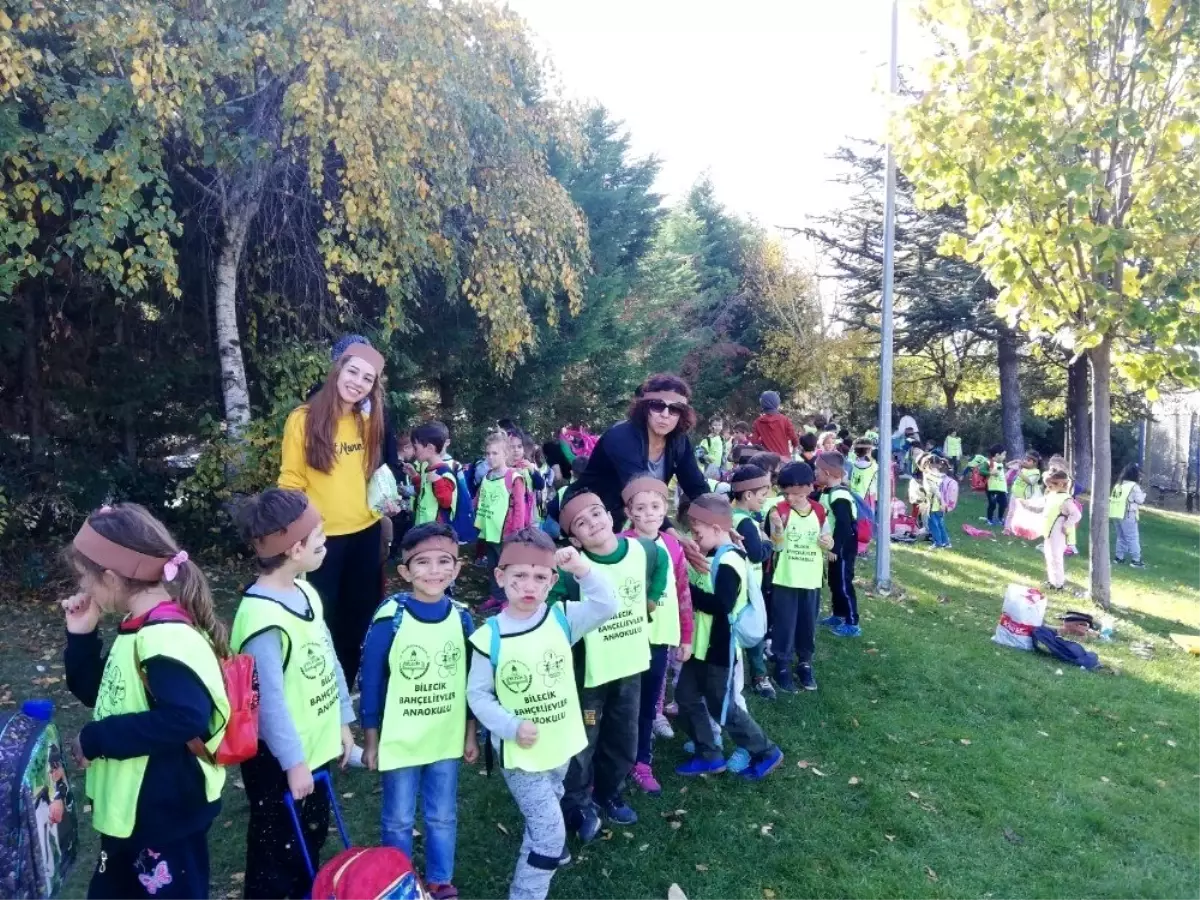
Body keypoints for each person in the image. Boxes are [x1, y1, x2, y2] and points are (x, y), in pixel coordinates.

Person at [62, 504, 231, 900]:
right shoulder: (138, 628)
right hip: (133, 815)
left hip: (164, 817)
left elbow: (186, 717)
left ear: (110, 576)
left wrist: (97, 738)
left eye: (85, 576)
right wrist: (81, 638)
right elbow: (102, 692)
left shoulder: (164, 638)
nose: (83, 587)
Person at [466, 530, 617, 900]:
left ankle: (542, 847)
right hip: (521, 755)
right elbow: (477, 694)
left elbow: (607, 604)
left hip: (560, 744)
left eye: (539, 577)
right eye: (518, 576)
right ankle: (526, 893)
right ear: (500, 578)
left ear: (552, 582)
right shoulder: (491, 637)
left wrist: (581, 568)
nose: (528, 586)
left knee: (551, 800)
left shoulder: (562, 619)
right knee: (550, 835)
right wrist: (511, 726)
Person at [231, 489, 356, 900]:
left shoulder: (306, 592)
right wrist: (294, 763)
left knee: (310, 841)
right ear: (295, 547)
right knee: (276, 856)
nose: (326, 541)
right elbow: (268, 705)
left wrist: (342, 719)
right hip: (280, 762)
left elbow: (328, 657)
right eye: (319, 535)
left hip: (313, 750)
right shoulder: (261, 619)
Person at [359, 524, 477, 900]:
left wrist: (470, 733)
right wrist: (372, 739)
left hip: (444, 738)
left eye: (444, 562)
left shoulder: (462, 618)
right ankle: (400, 882)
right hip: (401, 741)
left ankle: (441, 880)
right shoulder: (390, 618)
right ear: (405, 572)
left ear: (457, 568)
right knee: (398, 819)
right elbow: (373, 683)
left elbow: (472, 683)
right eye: (422, 563)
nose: (434, 571)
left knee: (442, 814)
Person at [552, 490, 668, 835]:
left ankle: (609, 792)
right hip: (590, 675)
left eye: (596, 514)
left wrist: (652, 598)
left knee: (623, 734)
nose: (593, 525)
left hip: (630, 667)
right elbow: (553, 603)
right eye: (582, 524)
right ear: (575, 537)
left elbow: (659, 563)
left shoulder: (641, 549)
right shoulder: (573, 569)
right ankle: (576, 800)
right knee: (585, 736)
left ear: (610, 514)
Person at [279, 338, 385, 686]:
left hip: (366, 533)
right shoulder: (302, 419)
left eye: (367, 379)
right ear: (337, 370)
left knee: (359, 613)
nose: (357, 382)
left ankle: (348, 680)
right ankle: (319, 683)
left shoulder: (368, 420)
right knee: (321, 612)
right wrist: (297, 532)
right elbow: (291, 480)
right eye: (352, 371)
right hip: (321, 537)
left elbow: (370, 473)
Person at [674, 494, 785, 781]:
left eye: (698, 532)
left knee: (723, 708)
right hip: (698, 647)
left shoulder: (730, 561)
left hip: (717, 650)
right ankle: (708, 753)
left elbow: (721, 605)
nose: (695, 538)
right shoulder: (714, 554)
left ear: (716, 527)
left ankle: (766, 751)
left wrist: (685, 592)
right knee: (685, 697)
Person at [569, 373, 710, 566]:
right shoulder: (621, 437)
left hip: (628, 515)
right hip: (589, 515)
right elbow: (641, 494)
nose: (665, 415)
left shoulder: (678, 441)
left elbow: (696, 487)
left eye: (675, 409)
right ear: (645, 408)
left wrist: (721, 522)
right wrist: (676, 538)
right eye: (658, 406)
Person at [619, 477, 694, 796]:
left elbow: (682, 591)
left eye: (655, 507)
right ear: (629, 512)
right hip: (624, 638)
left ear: (665, 509)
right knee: (622, 703)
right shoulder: (620, 544)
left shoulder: (673, 544)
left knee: (650, 702)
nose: (648, 513)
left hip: (659, 637)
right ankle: (615, 761)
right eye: (641, 508)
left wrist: (686, 635)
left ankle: (641, 762)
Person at [767, 462, 833, 692]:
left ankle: (805, 663)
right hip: (786, 578)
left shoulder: (819, 510)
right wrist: (776, 529)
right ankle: (782, 664)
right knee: (784, 624)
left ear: (807, 487)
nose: (790, 497)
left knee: (807, 623)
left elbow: (828, 538)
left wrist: (828, 543)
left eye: (794, 493)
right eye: (786, 493)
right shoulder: (779, 511)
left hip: (811, 578)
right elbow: (776, 547)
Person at [727, 465, 775, 701]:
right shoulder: (745, 522)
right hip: (748, 586)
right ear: (747, 495)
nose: (765, 500)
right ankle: (759, 676)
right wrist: (769, 542)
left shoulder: (731, 514)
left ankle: (735, 675)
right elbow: (756, 553)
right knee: (754, 630)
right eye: (762, 495)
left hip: (737, 582)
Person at [475, 432, 531, 611]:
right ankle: (496, 596)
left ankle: (510, 599)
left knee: (508, 567)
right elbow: (479, 499)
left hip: (506, 534)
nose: (490, 457)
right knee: (493, 566)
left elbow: (519, 508)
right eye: (488, 453)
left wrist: (515, 533)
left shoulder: (513, 477)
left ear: (506, 454)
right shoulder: (487, 476)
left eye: (495, 453)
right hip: (489, 532)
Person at [817, 452, 863, 637]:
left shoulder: (840, 496)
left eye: (818, 469)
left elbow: (844, 525)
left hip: (843, 547)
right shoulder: (827, 492)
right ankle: (837, 614)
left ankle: (852, 623)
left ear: (828, 472)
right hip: (835, 546)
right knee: (835, 582)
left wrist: (835, 548)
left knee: (844, 583)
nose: (815, 472)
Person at [411, 422, 460, 527]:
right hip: (423, 527)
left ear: (430, 448)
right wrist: (415, 476)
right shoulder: (428, 469)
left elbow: (446, 502)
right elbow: (424, 493)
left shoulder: (444, 473)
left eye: (416, 448)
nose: (414, 453)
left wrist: (438, 482)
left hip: (435, 531)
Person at [1043, 469, 1083, 590]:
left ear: (1061, 484)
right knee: (1049, 555)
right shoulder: (1052, 495)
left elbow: (1076, 515)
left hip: (1058, 531)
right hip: (1049, 530)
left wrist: (1066, 525)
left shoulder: (1066, 499)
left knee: (1056, 557)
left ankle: (1059, 584)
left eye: (1053, 484)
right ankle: (1052, 581)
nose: (1050, 486)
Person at [1111, 463, 1147, 568]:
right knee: (1132, 537)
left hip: (1115, 514)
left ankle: (1119, 557)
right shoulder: (1134, 486)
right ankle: (1136, 560)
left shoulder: (1118, 485)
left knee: (1121, 537)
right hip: (1127, 515)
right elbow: (1140, 500)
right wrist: (1143, 493)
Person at [751, 391, 799, 458]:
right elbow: (794, 439)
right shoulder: (785, 420)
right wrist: (794, 451)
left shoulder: (758, 422)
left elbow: (754, 442)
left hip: (768, 461)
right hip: (784, 459)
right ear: (777, 403)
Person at [982, 445, 1009, 526]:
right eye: (1004, 455)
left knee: (1004, 504)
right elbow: (981, 471)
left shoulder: (1001, 463)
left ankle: (1000, 518)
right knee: (992, 504)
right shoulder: (988, 463)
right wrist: (990, 473)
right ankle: (989, 520)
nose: (1005, 457)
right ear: (997, 455)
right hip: (991, 488)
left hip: (1002, 489)